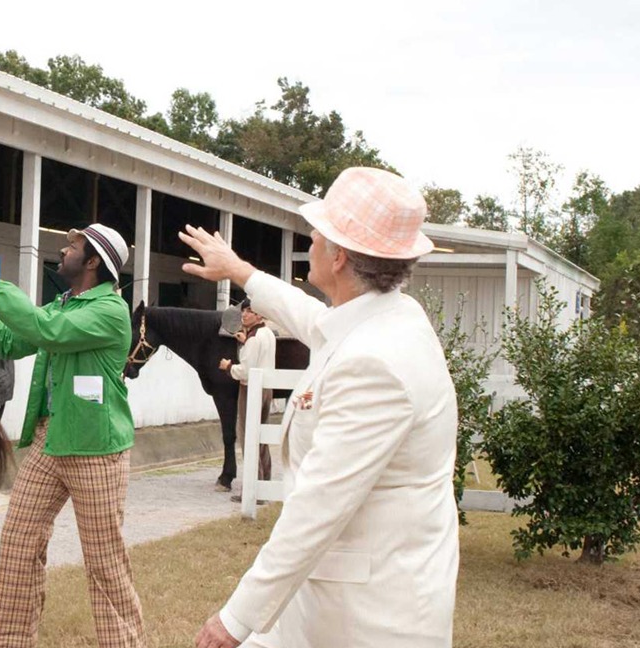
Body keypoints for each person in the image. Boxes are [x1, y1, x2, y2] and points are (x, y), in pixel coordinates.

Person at [185, 166, 459, 648]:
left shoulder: (376, 363)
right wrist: (241, 271)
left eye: (320, 231)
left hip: (369, 620)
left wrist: (235, 619)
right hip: (334, 601)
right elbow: (314, 319)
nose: (311, 236)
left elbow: (318, 507)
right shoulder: (387, 318)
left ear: (341, 257)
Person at [0, 223, 143, 648]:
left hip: (96, 450)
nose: (63, 250)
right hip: (50, 439)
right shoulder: (65, 304)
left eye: (72, 246)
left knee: (104, 563)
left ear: (94, 262)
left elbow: (46, 331)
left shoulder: (110, 311)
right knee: (18, 544)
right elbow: (11, 341)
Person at [219, 298, 277, 498]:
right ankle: (264, 482)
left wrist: (228, 367)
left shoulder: (253, 339)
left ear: (259, 315)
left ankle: (252, 492)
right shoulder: (267, 334)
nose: (244, 314)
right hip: (267, 388)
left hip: (251, 389)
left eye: (250, 311)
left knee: (248, 437)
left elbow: (245, 371)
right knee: (261, 437)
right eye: (243, 311)